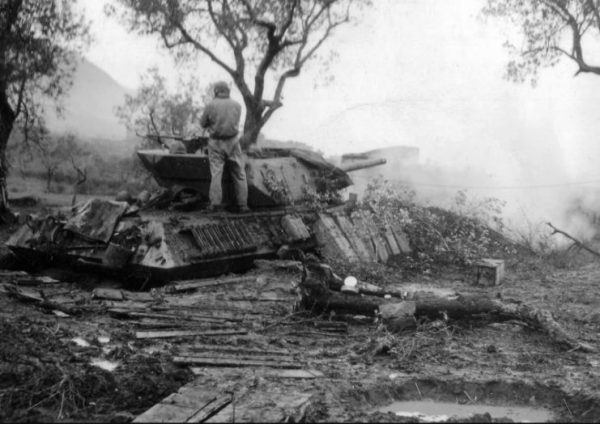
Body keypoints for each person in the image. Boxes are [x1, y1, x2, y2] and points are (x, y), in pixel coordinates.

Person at [200, 81, 249, 213]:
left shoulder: (211, 105)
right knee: (239, 173)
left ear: (216, 91)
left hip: (216, 142)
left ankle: (215, 204)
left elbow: (203, 123)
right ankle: (243, 205)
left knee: (216, 173)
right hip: (233, 141)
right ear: (228, 91)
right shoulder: (237, 105)